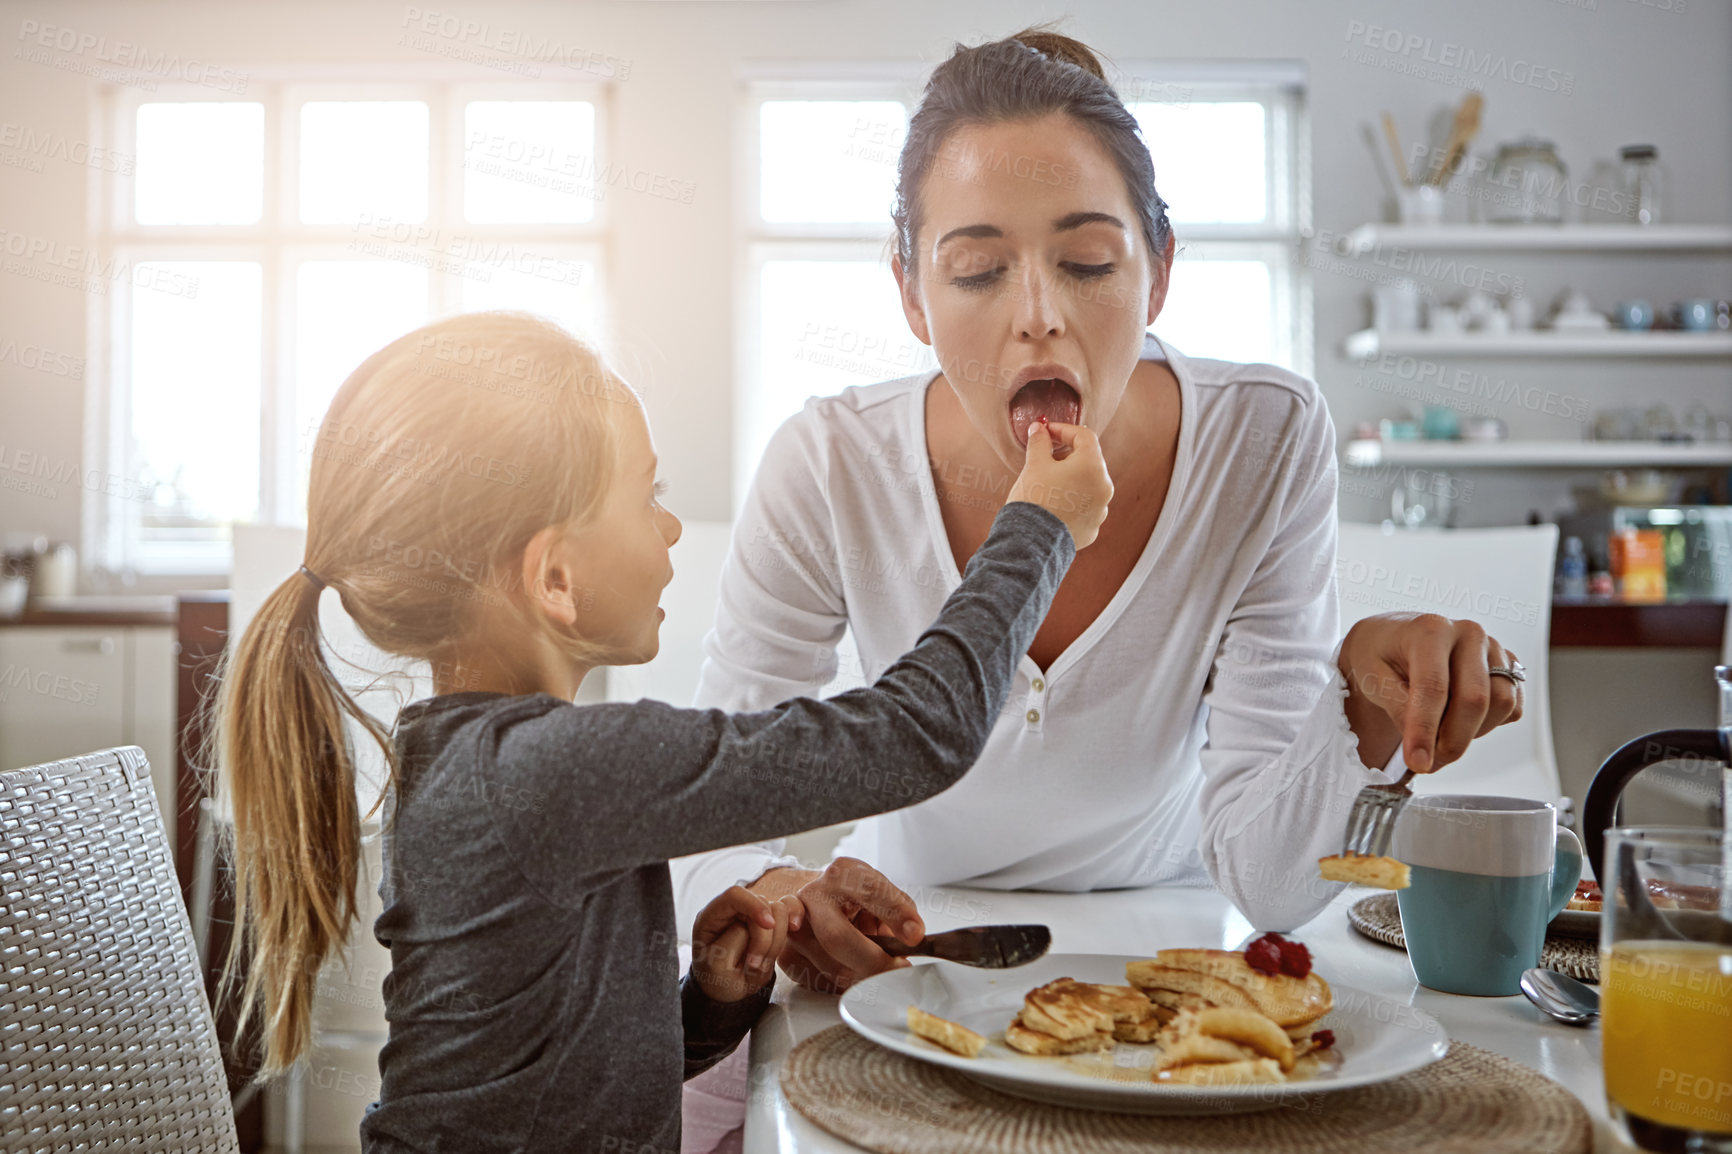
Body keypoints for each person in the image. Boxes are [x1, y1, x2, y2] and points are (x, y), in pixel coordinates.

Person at [673, 28, 1527, 1001]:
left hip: (1170, 933)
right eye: (977, 271)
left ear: (1157, 272)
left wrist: (1365, 711)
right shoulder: (829, 460)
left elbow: (1273, 887)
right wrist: (776, 884)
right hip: (911, 939)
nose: (1038, 313)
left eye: (1085, 262)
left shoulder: (1265, 437)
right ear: (910, 292)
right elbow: (708, 808)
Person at [211, 310, 1113, 1151]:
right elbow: (915, 735)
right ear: (555, 578)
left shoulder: (491, 766)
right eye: (650, 495)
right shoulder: (555, 769)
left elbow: (568, 1086)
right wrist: (1038, 529)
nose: (673, 526)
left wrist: (710, 1001)